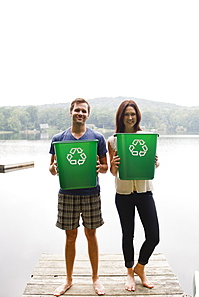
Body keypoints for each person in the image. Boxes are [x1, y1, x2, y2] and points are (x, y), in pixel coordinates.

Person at [49, 98, 108, 296]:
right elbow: (51, 168)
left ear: (88, 114)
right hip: (67, 194)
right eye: (77, 110)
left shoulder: (97, 138)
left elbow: (105, 167)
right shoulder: (58, 138)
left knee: (91, 234)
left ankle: (95, 278)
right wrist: (54, 168)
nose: (80, 114)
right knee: (70, 236)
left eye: (83, 111)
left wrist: (101, 167)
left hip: (91, 192)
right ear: (71, 112)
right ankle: (68, 279)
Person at [107, 99, 160, 292]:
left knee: (153, 236)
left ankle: (141, 267)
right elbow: (113, 172)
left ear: (137, 116)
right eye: (126, 114)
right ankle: (130, 272)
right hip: (123, 193)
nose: (130, 118)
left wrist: (154, 162)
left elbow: (151, 165)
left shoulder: (146, 138)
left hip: (145, 192)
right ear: (121, 117)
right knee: (127, 234)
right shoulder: (113, 140)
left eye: (133, 114)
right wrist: (114, 165)